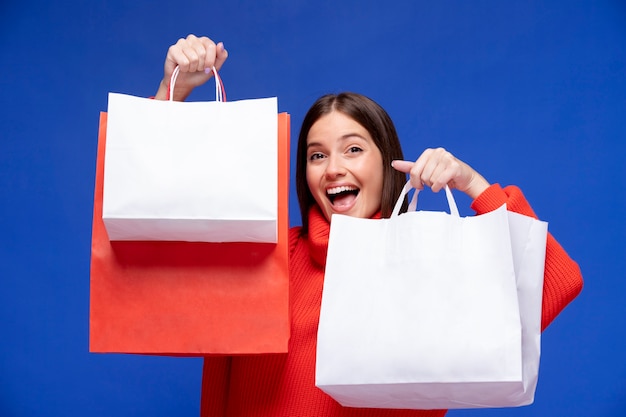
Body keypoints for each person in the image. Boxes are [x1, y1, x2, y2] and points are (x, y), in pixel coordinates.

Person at [155, 35, 583, 417]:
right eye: (317, 155)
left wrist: (472, 184)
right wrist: (170, 95)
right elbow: (155, 252)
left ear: (387, 161)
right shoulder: (266, 256)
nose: (333, 169)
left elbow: (555, 282)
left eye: (353, 149)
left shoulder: (430, 263)